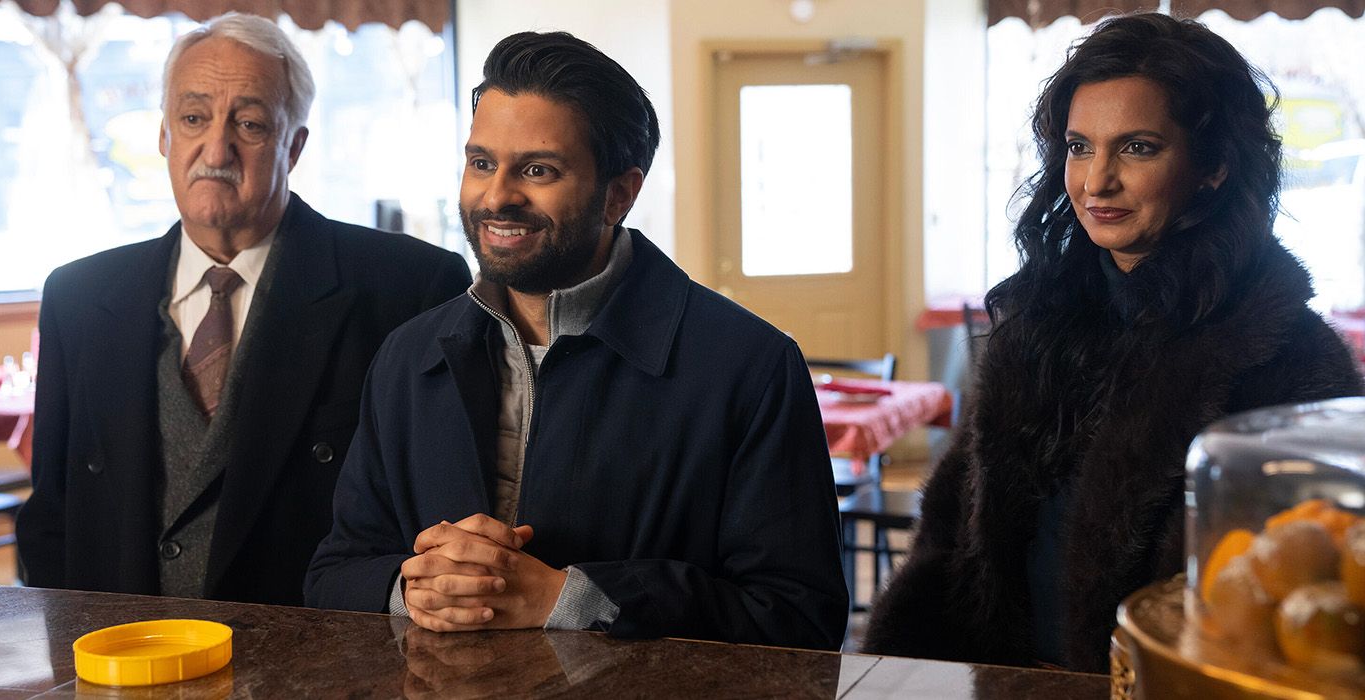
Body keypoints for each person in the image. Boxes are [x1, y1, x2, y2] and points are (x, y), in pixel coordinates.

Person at [305, 31, 848, 651]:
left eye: (538, 170)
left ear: (620, 194)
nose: (497, 195)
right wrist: (414, 586)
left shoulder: (750, 367)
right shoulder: (406, 357)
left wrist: (572, 598)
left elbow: (800, 617)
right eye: (482, 162)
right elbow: (334, 572)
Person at [863, 13, 1364, 672]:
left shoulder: (1293, 361)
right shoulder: (1034, 329)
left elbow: (1310, 616)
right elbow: (948, 546)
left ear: (1212, 165)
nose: (1096, 182)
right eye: (1079, 146)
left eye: (1138, 147)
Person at [15, 12, 471, 606]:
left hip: (317, 666)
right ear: (164, 136)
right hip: (122, 662)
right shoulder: (78, 297)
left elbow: (438, 516)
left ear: (295, 145)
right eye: (193, 118)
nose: (216, 148)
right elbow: (52, 516)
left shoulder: (408, 287)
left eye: (250, 123)